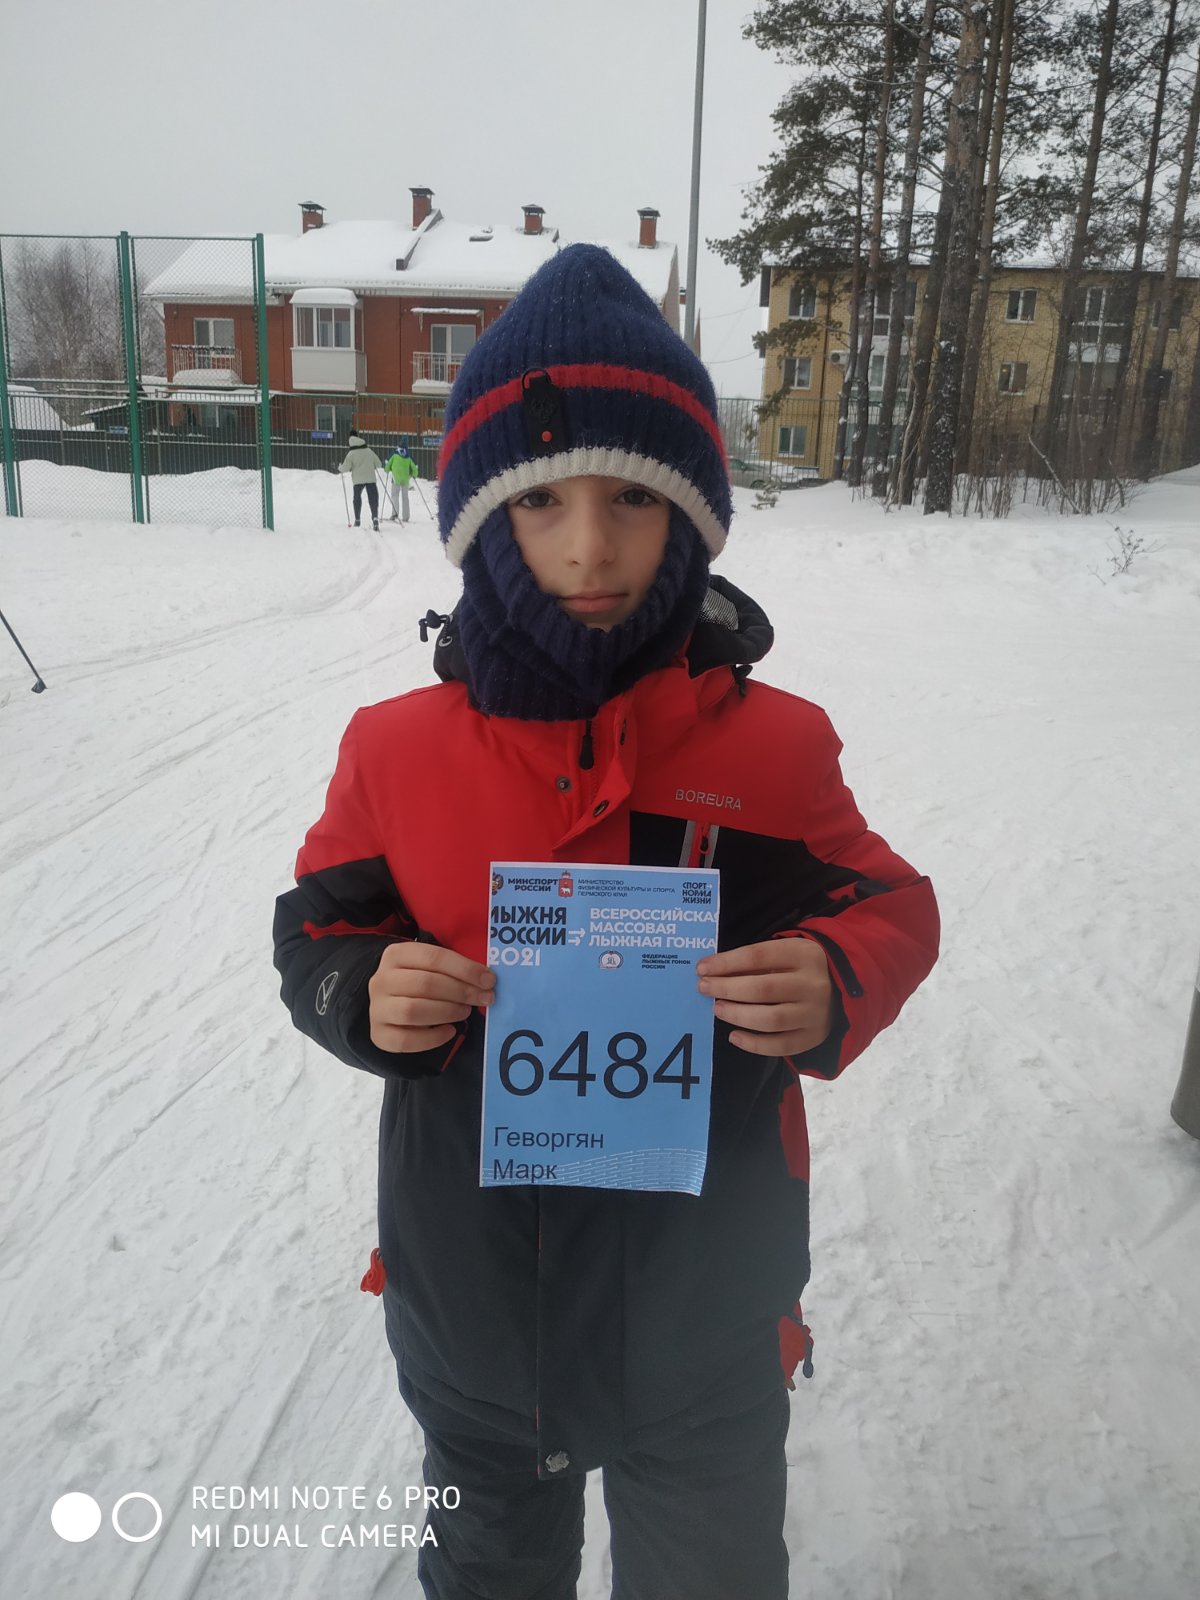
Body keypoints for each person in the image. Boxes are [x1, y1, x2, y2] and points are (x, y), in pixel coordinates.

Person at [273, 245, 939, 1600]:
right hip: (475, 1312)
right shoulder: (396, 751)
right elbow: (317, 928)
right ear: (481, 520)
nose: (588, 546)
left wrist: (835, 974)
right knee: (489, 1572)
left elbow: (890, 902)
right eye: (541, 501)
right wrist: (362, 993)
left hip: (706, 1317)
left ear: (691, 514)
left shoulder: (774, 749)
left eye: (634, 496)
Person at [337, 428, 382, 529]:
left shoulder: (351, 454)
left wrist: (340, 467)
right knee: (373, 498)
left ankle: (357, 519)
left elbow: (345, 468)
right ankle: (375, 518)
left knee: (357, 498)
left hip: (357, 480)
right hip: (370, 478)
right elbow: (379, 464)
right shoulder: (369, 451)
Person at [383, 441, 420, 522]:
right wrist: (414, 475)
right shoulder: (408, 457)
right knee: (405, 498)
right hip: (405, 479)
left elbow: (387, 466)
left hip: (395, 479)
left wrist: (387, 469)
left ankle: (395, 513)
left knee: (395, 496)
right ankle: (406, 517)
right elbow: (414, 468)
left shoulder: (395, 455)